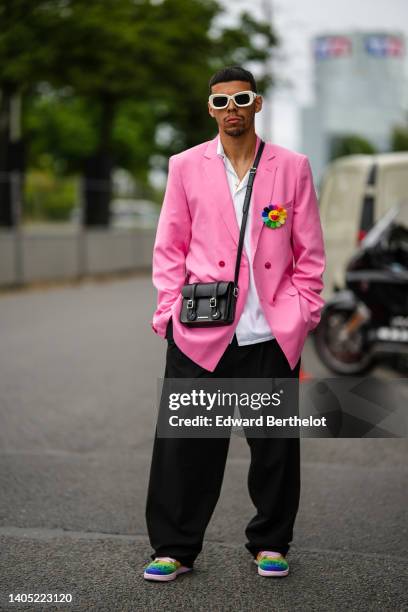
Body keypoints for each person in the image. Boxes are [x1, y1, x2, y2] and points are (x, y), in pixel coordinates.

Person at [144, 65, 326, 582]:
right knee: (185, 446)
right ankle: (174, 549)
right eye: (221, 102)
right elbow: (169, 247)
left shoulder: (291, 167)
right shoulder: (185, 166)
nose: (232, 110)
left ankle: (271, 541)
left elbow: (309, 251)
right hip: (200, 331)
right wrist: (167, 314)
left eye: (241, 99)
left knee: (274, 448)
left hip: (269, 330)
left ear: (257, 104)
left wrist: (304, 310)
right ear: (210, 110)